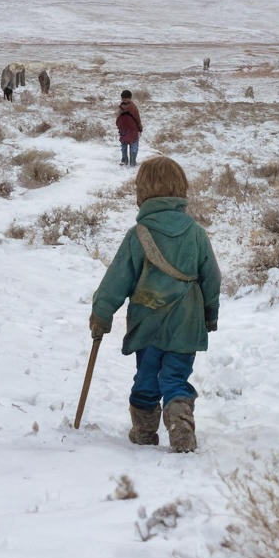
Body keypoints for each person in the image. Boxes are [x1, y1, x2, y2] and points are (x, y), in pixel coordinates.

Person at [89, 156, 221, 452]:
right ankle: (179, 417)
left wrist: (101, 313)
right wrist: (209, 313)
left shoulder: (138, 235)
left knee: (147, 373)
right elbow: (212, 277)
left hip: (147, 316)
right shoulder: (196, 233)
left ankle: (145, 431)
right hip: (187, 318)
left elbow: (117, 279)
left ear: (143, 191)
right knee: (175, 374)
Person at [116, 89, 142, 167]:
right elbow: (138, 119)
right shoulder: (133, 107)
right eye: (123, 98)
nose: (123, 99)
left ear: (128, 98)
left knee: (125, 146)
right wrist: (140, 128)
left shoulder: (121, 108)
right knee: (132, 147)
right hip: (131, 130)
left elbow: (118, 119)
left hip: (126, 130)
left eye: (124, 98)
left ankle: (125, 161)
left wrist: (119, 126)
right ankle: (132, 163)